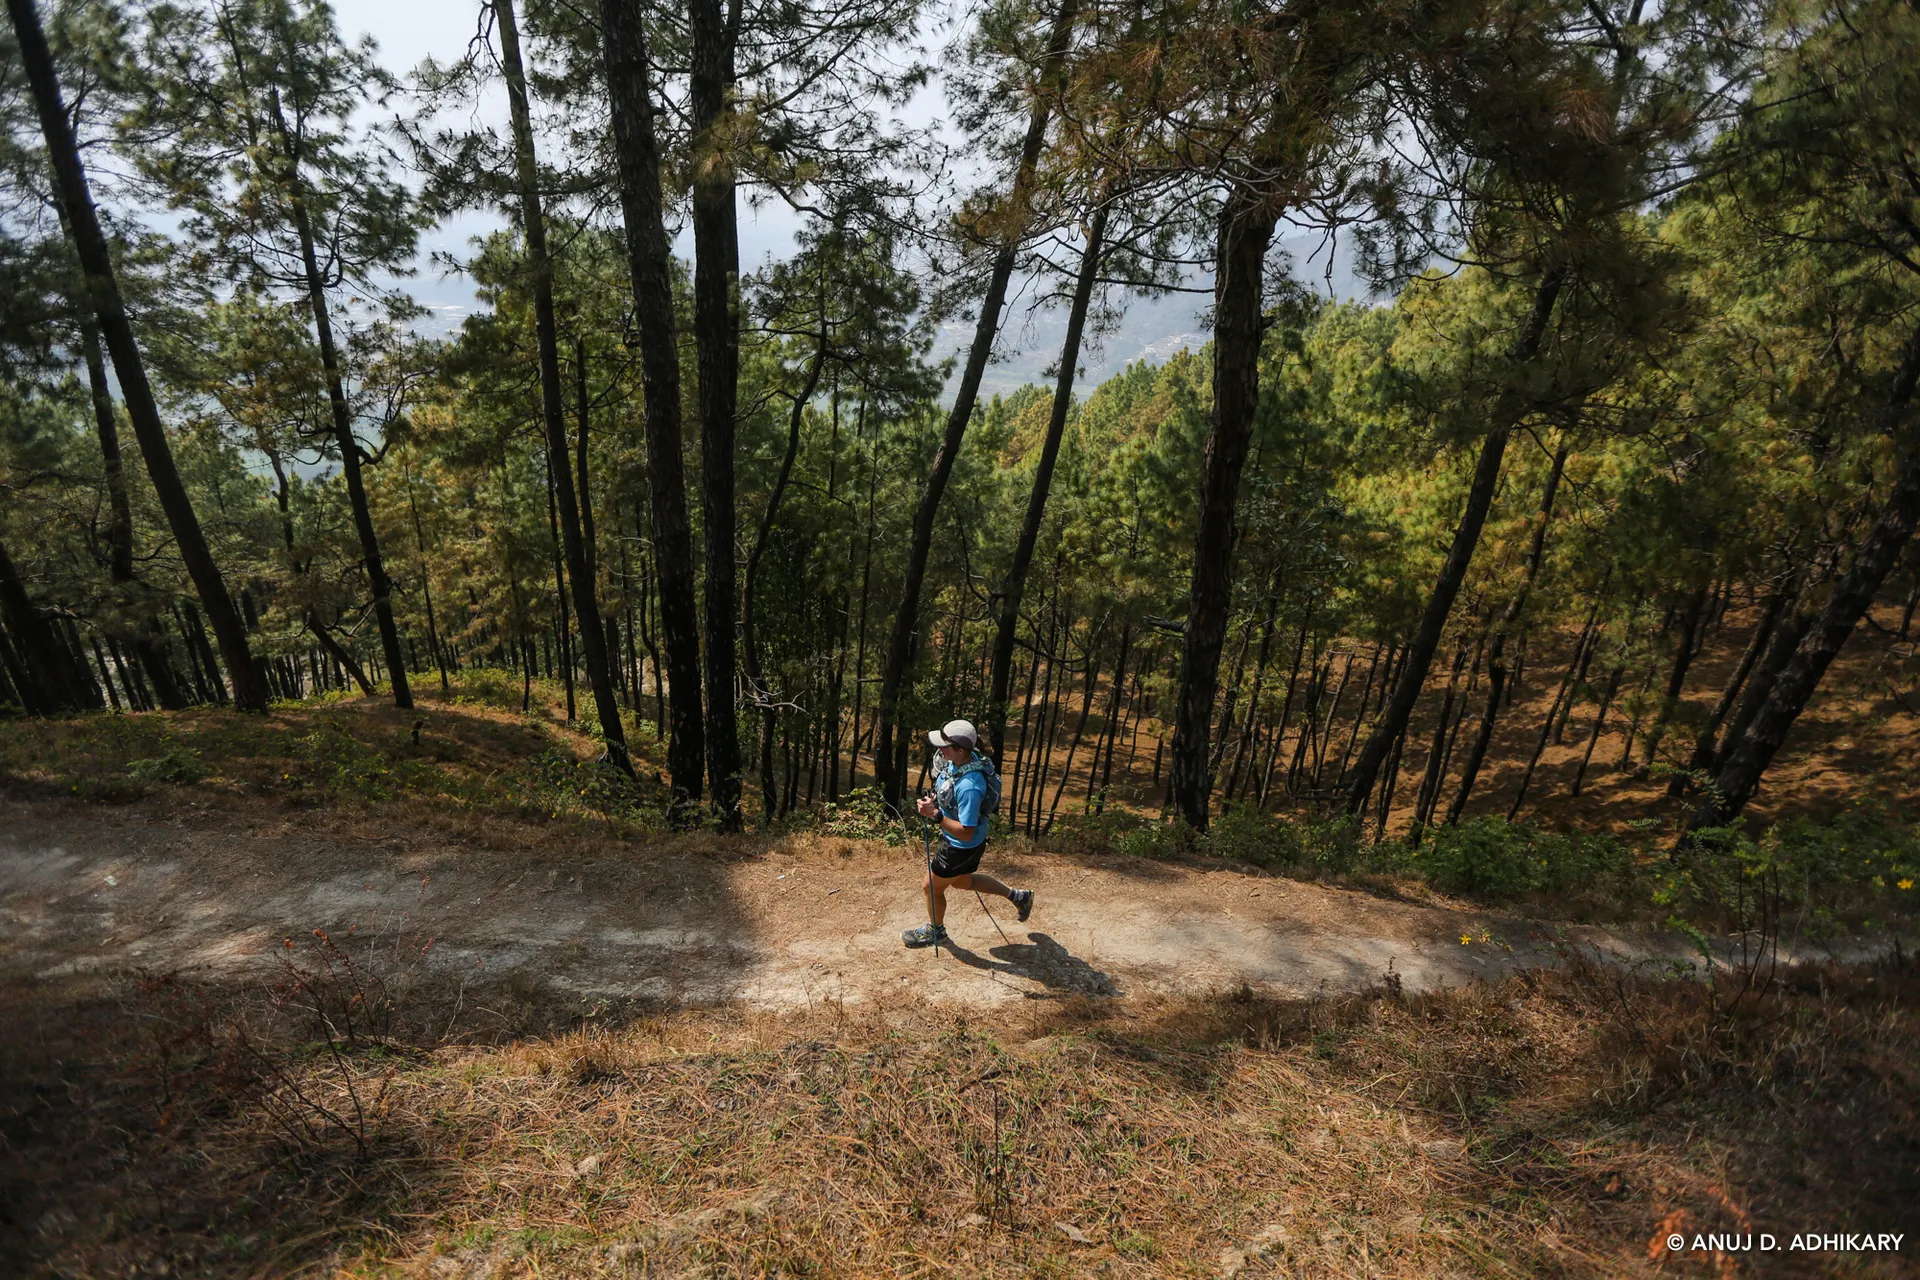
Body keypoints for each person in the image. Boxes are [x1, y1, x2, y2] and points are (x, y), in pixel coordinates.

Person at [903, 718, 1034, 948]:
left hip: (960, 847)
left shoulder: (970, 786)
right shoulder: (961, 761)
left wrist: (936, 815)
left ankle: (936, 932)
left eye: (944, 745)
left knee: (930, 886)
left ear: (959, 749)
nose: (939, 749)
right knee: (964, 882)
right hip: (968, 844)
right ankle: (1018, 896)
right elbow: (949, 789)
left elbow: (965, 832)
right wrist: (935, 802)